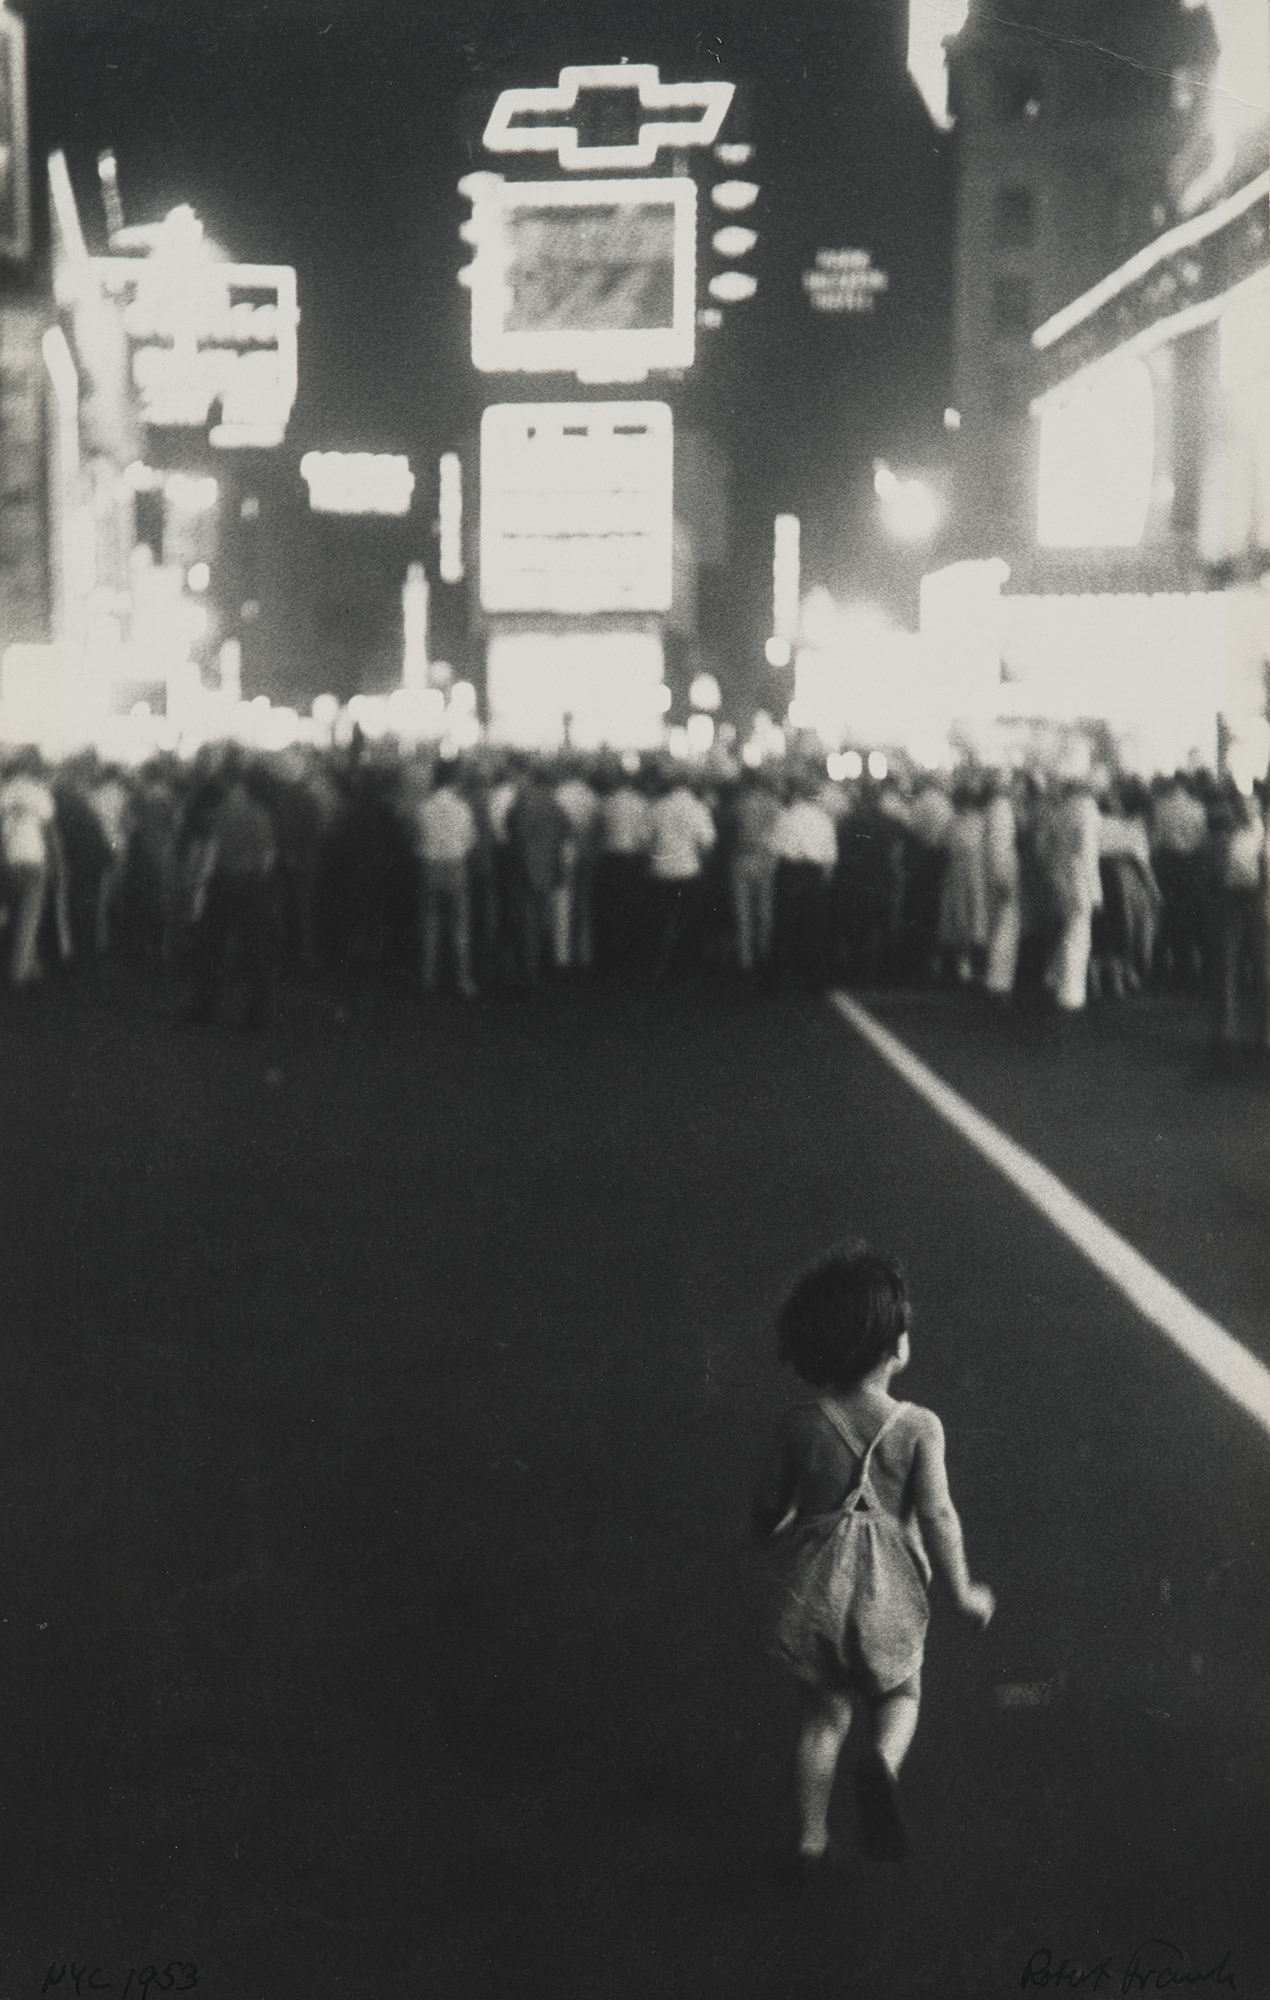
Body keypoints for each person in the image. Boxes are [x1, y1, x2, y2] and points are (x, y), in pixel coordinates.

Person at [753, 1246, 994, 1874]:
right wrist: (964, 1593)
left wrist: (776, 1528)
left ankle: (810, 1839)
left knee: (822, 1717)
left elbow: (768, 1511)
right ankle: (882, 1764)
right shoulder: (919, 1427)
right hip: (890, 1598)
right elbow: (940, 1517)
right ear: (893, 1346)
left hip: (818, 1598)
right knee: (901, 1695)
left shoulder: (799, 1424)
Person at [412, 758, 478, 997]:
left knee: (430, 923)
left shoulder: (423, 808)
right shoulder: (463, 808)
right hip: (455, 867)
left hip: (429, 867)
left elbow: (416, 840)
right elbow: (471, 841)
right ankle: (463, 979)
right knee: (460, 926)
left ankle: (427, 976)